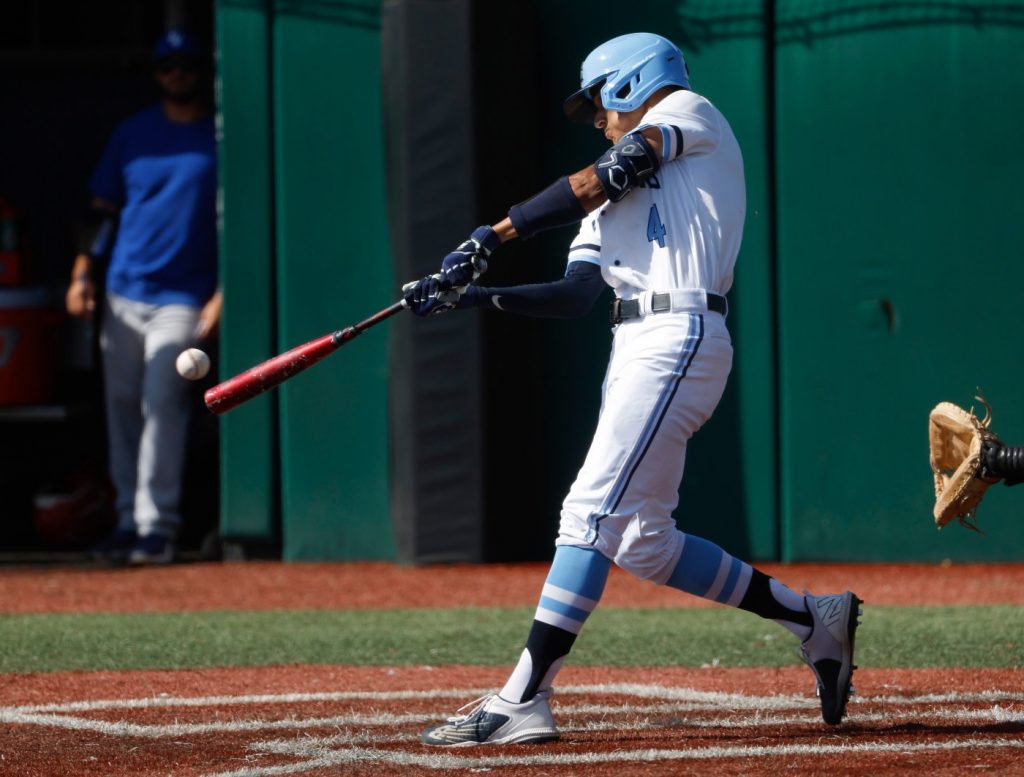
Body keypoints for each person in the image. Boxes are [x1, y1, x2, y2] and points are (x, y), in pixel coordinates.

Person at [403, 32, 862, 745]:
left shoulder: (688, 112)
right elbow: (574, 294)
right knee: (643, 539)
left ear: (630, 81)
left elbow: (617, 167)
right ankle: (814, 619)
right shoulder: (601, 199)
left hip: (679, 332)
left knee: (587, 513)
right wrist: (475, 295)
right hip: (635, 345)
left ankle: (524, 695)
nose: (595, 118)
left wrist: (491, 234)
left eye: (597, 102)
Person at [65, 28, 220, 565]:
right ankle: (129, 520)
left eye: (186, 66)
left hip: (183, 295)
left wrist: (221, 295)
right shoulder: (134, 134)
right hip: (124, 289)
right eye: (167, 67)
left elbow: (241, 224)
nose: (177, 75)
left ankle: (159, 526)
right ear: (155, 74)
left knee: (163, 400)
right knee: (123, 408)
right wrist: (81, 274)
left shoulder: (218, 136)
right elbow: (101, 211)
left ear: (201, 72)